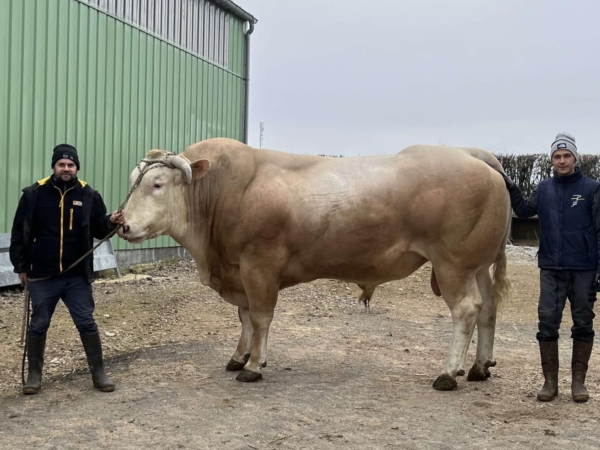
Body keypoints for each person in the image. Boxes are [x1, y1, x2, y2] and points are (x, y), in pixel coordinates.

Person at [10, 144, 125, 394]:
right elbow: (19, 232)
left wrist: (111, 222)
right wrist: (21, 266)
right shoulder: (34, 194)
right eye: (61, 164)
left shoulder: (89, 195)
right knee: (38, 325)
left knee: (86, 322)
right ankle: (34, 377)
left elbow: (99, 228)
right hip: (42, 275)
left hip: (76, 277)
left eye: (70, 165)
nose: (66, 168)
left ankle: (99, 373)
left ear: (77, 168)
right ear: (54, 166)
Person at [502, 132, 600, 403]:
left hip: (584, 268)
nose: (562, 160)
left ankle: (578, 383)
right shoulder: (544, 189)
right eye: (557, 156)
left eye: (567, 155)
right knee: (547, 322)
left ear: (575, 157)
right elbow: (523, 210)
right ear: (552, 160)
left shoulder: (592, 189)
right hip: (550, 267)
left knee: (583, 322)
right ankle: (550, 383)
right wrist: (510, 185)